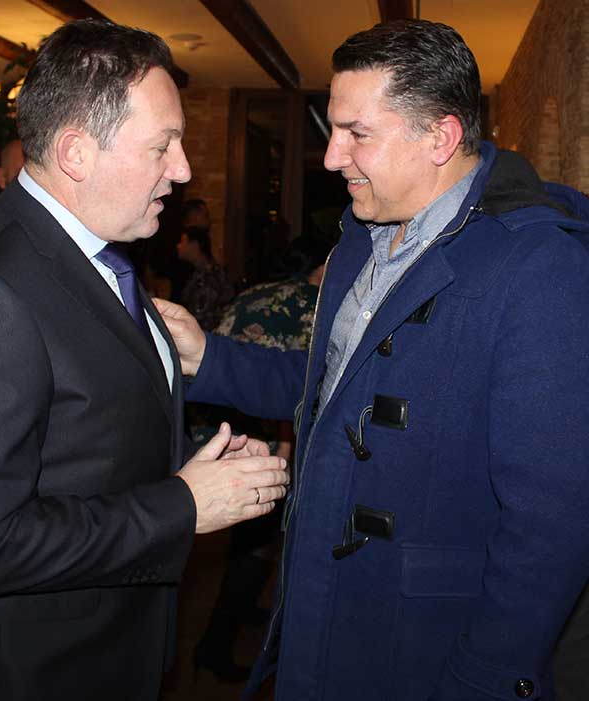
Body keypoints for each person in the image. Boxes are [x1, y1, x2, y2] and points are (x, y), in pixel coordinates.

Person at [155, 19, 589, 701]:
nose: (333, 157)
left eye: (356, 133)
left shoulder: (541, 268)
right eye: (334, 130)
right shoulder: (364, 237)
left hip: (422, 647)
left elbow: (553, 525)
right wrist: (207, 356)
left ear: (440, 137)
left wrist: (482, 679)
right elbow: (336, 390)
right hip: (324, 611)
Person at [0, 19, 288, 701]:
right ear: (76, 153)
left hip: (121, 649)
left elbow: (83, 437)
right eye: (163, 146)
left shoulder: (102, 253)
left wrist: (198, 464)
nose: (182, 170)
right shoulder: (1, 287)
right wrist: (183, 505)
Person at [193, 234, 333, 683]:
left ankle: (232, 620)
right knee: (258, 543)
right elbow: (301, 389)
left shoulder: (257, 291)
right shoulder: (314, 305)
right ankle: (216, 644)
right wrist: (287, 452)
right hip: (258, 439)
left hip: (212, 425)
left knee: (245, 540)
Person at [177, 224, 234, 330]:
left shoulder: (208, 275)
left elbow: (200, 316)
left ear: (194, 245)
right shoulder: (199, 272)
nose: (178, 246)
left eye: (182, 241)